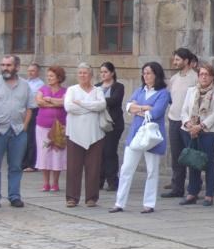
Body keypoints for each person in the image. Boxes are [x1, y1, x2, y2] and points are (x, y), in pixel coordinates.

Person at [111, 62, 171, 214]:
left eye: (149, 73)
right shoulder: (139, 90)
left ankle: (149, 203)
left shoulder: (163, 93)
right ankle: (119, 202)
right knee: (126, 168)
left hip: (152, 135)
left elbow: (155, 113)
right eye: (144, 73)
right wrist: (144, 108)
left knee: (152, 170)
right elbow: (128, 107)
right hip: (136, 133)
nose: (145, 76)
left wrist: (138, 109)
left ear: (156, 75)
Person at [179, 63, 214, 207]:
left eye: (207, 74)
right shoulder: (191, 91)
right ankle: (192, 192)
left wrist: (200, 127)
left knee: (208, 162)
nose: (204, 77)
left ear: (212, 77)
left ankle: (209, 195)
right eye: (201, 74)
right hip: (190, 131)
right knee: (193, 161)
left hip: (208, 132)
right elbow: (184, 110)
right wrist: (188, 124)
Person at [63, 63, 108, 208]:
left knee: (93, 167)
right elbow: (69, 107)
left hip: (95, 134)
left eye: (85, 73)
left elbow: (101, 105)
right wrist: (90, 107)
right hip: (74, 133)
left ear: (91, 75)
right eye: (80, 73)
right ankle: (72, 197)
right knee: (73, 167)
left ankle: (91, 198)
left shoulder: (98, 90)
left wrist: (81, 104)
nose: (83, 75)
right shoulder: (72, 90)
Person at [0, 55, 35, 208]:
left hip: (18, 131)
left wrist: (25, 126)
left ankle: (14, 196)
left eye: (8, 65)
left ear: (17, 67)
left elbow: (30, 107)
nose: (5, 68)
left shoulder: (25, 85)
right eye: (3, 65)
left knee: (16, 166)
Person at [161, 48, 198, 199]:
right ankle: (177, 188)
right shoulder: (174, 78)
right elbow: (170, 98)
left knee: (191, 156)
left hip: (188, 123)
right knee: (177, 156)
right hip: (174, 120)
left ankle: (194, 188)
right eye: (174, 59)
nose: (175, 62)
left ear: (187, 61)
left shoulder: (195, 78)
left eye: (177, 60)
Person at [34, 66, 67, 193]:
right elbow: (39, 102)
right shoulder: (42, 89)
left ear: (59, 78)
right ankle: (46, 183)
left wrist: (50, 100)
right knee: (44, 153)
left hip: (60, 126)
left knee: (57, 154)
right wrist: (54, 103)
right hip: (42, 126)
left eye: (52, 76)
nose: (49, 78)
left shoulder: (66, 90)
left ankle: (55, 183)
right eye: (48, 76)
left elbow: (64, 103)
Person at [96, 62, 125, 192]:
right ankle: (99, 181)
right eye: (101, 72)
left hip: (113, 124)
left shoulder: (118, 86)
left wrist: (99, 102)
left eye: (105, 72)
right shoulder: (96, 87)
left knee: (109, 151)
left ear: (112, 73)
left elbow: (115, 100)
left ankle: (113, 181)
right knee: (99, 152)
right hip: (98, 123)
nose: (103, 74)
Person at [22, 62, 44, 172]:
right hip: (24, 111)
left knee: (31, 138)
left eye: (33, 71)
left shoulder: (40, 84)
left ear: (37, 72)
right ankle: (23, 162)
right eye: (29, 70)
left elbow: (29, 97)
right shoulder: (25, 82)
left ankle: (32, 163)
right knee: (23, 138)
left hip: (34, 111)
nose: (30, 72)